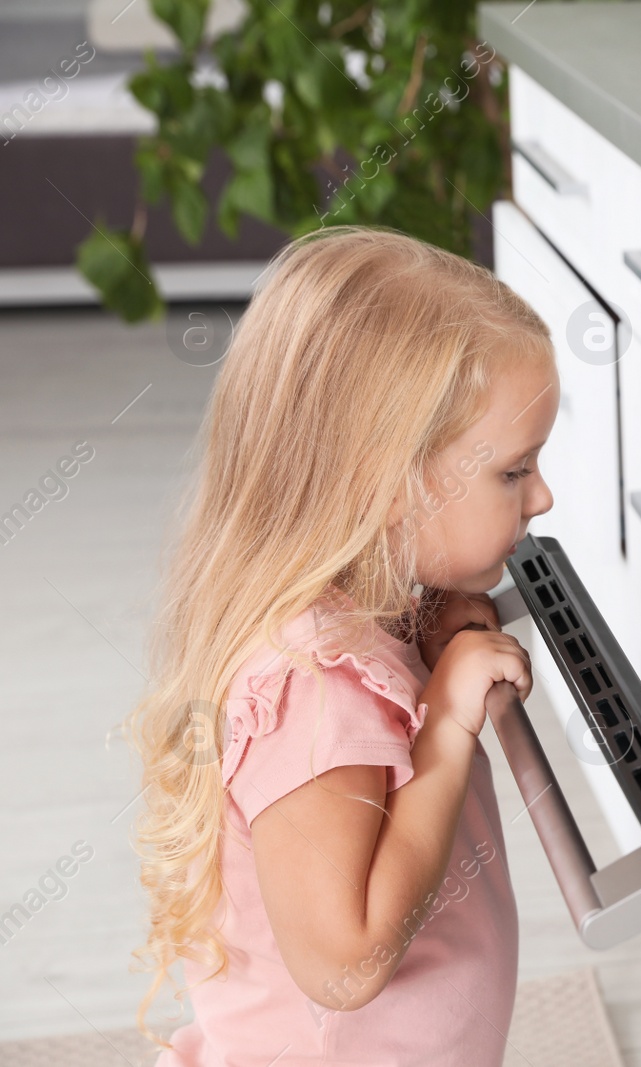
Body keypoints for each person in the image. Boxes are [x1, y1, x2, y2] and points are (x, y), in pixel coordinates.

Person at [125, 226, 560, 1065]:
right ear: (387, 484)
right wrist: (445, 721)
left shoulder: (358, 622)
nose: (544, 494)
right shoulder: (318, 696)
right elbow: (345, 962)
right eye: (513, 470)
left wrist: (433, 638)